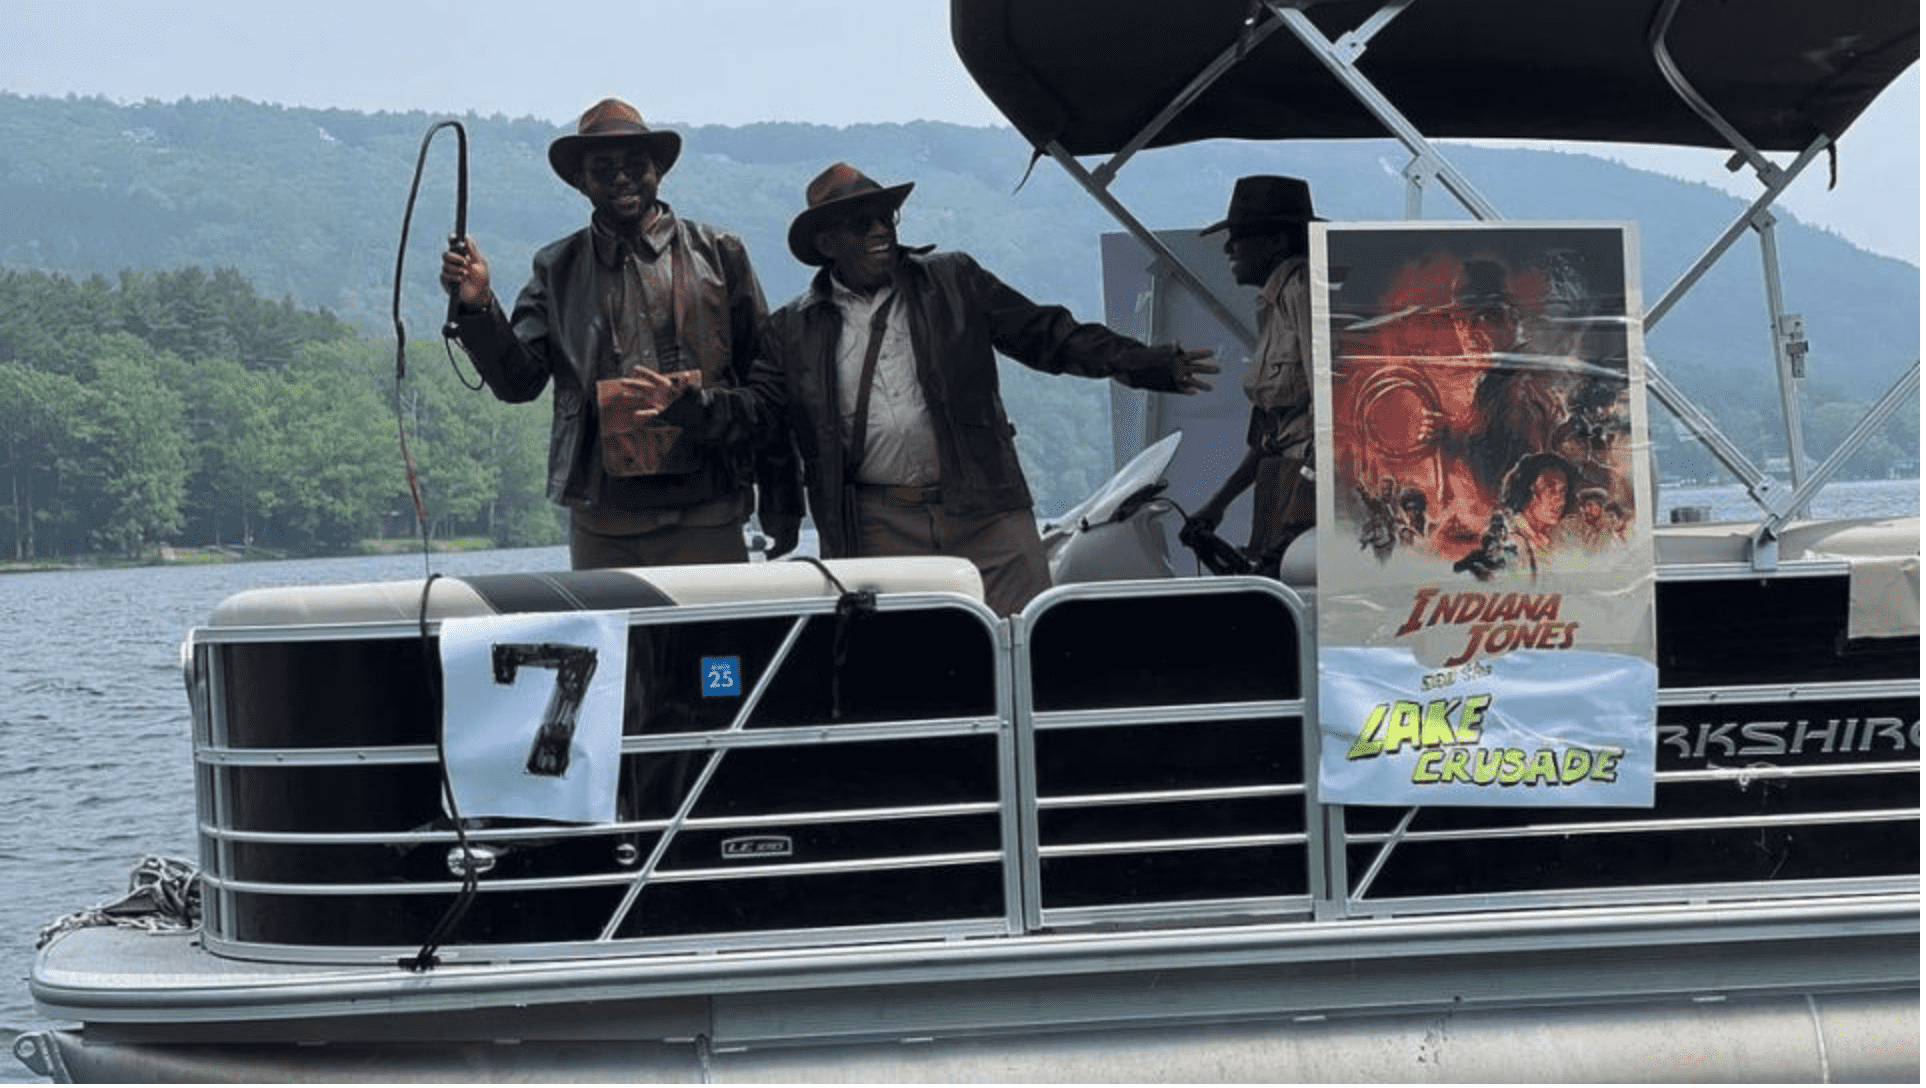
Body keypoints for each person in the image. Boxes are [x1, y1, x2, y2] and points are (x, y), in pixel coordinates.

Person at [634, 162, 1217, 615]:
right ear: (827, 243)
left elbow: (1049, 335)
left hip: (987, 506)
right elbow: (760, 414)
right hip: (880, 522)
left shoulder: (953, 280)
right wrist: (691, 406)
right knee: (913, 664)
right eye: (861, 223)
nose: (880, 230)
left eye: (885, 218)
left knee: (1032, 643)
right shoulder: (792, 328)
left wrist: (1145, 363)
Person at [439, 97, 801, 569]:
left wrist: (783, 502)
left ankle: (719, 650)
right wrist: (478, 306)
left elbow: (768, 391)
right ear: (581, 181)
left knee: (719, 646)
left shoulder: (719, 254)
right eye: (603, 167)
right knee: (616, 644)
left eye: (635, 164)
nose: (622, 177)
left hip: (710, 509)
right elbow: (518, 383)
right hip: (604, 522)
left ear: (658, 170)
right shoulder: (557, 268)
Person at [1183, 176, 1322, 579]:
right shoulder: (1271, 304)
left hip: (1305, 490)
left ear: (1277, 241)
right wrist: (1219, 503)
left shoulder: (1301, 291)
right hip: (1280, 481)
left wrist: (1301, 515)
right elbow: (1268, 436)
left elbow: (1334, 420)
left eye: (1240, 236)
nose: (1229, 248)